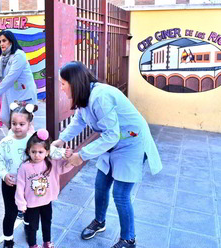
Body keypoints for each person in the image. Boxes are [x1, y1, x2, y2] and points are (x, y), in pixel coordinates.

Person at [51, 61, 162, 248]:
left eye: (63, 83)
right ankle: (99, 222)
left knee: (120, 194)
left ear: (74, 82)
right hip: (112, 141)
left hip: (131, 143)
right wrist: (61, 140)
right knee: (101, 185)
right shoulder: (84, 96)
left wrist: (82, 155)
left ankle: (129, 239)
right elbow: (79, 121)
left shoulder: (100, 97)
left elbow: (111, 134)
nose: (61, 88)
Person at [15, 129, 73, 248]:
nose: (37, 155)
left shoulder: (51, 163)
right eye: (33, 151)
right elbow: (20, 186)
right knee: (32, 226)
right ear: (28, 151)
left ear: (47, 152)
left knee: (47, 222)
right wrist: (21, 204)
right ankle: (33, 245)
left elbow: (64, 168)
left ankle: (47, 242)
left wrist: (69, 159)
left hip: (46, 201)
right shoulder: (24, 167)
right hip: (31, 204)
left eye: (40, 152)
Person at [0, 102, 38, 248]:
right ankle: (8, 240)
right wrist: (4, 174)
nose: (17, 127)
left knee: (30, 211)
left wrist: (64, 154)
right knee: (10, 213)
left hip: (30, 185)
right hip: (10, 184)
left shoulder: (33, 141)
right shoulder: (5, 143)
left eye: (21, 123)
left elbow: (46, 154)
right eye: (14, 123)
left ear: (29, 123)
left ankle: (29, 229)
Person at [0, 30, 37, 126]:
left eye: (4, 40)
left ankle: (23, 139)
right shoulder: (3, 57)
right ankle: (16, 137)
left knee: (23, 122)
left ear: (11, 41)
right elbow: (1, 78)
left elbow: (11, 77)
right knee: (5, 118)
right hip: (10, 93)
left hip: (23, 94)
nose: (1, 44)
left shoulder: (19, 55)